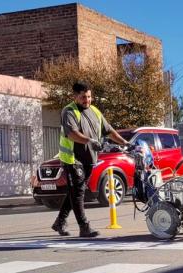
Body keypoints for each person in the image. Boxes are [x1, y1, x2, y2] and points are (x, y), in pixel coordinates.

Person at [52, 82, 128, 238]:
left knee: (75, 191)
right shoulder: (69, 111)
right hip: (72, 159)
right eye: (83, 97)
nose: (86, 100)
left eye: (88, 97)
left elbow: (109, 131)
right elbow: (71, 134)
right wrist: (90, 141)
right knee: (79, 192)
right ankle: (84, 227)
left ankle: (60, 222)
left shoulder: (95, 111)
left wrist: (125, 143)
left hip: (89, 159)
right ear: (75, 97)